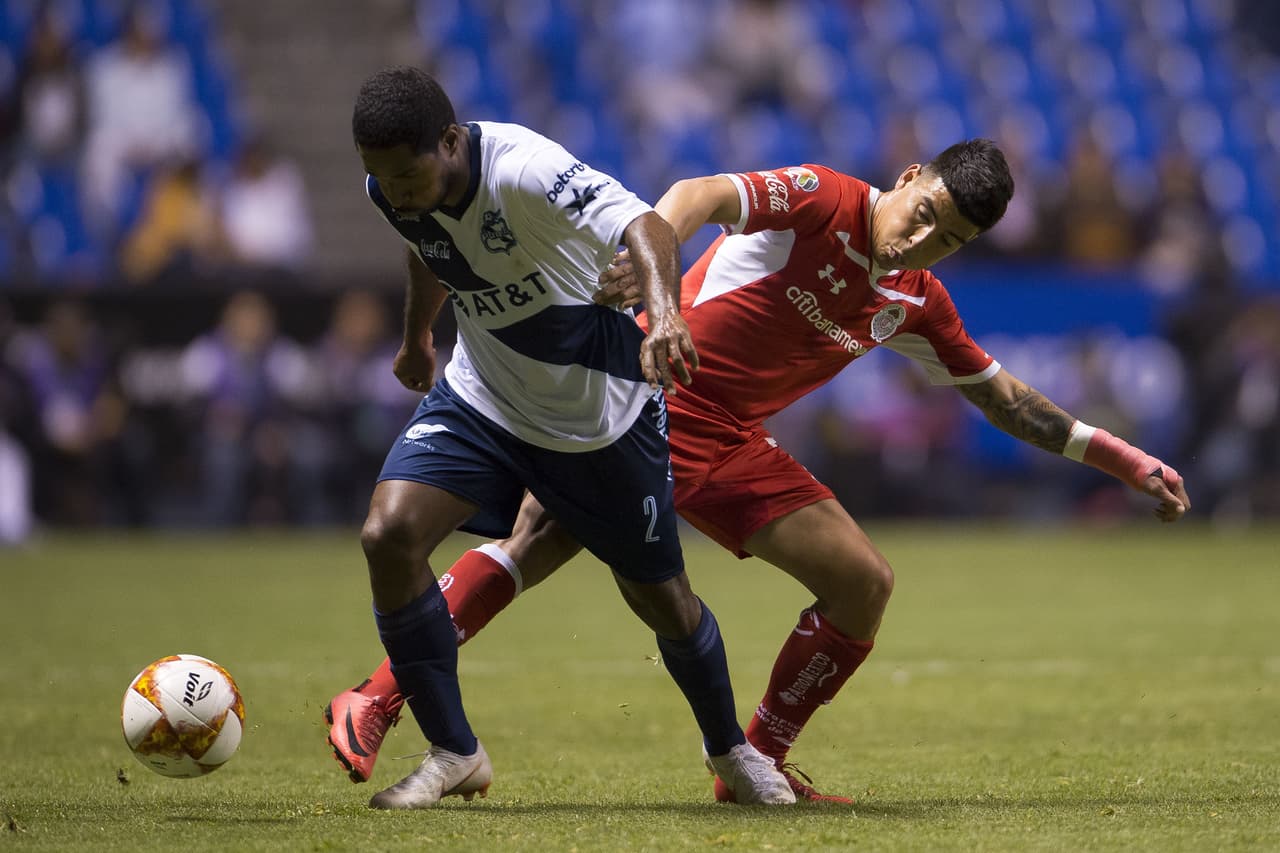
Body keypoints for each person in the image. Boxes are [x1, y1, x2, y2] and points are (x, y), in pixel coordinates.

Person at [327, 138, 1192, 803]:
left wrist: (1123, 458)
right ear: (909, 174)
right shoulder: (824, 199)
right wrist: (651, 261)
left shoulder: (916, 301)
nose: (923, 240)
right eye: (924, 211)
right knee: (533, 542)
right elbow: (704, 192)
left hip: (730, 440)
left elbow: (1008, 402)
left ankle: (757, 754)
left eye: (950, 239)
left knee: (863, 583)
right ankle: (378, 695)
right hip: (654, 394)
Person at [336, 66, 796, 810]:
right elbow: (422, 243)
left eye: (408, 173)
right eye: (379, 177)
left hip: (598, 419)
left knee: (663, 601)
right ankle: (454, 749)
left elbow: (643, 223)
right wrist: (420, 335)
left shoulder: (525, 172)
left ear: (450, 142)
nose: (395, 190)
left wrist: (665, 311)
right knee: (388, 535)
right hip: (483, 397)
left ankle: (730, 749)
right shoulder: (392, 186)